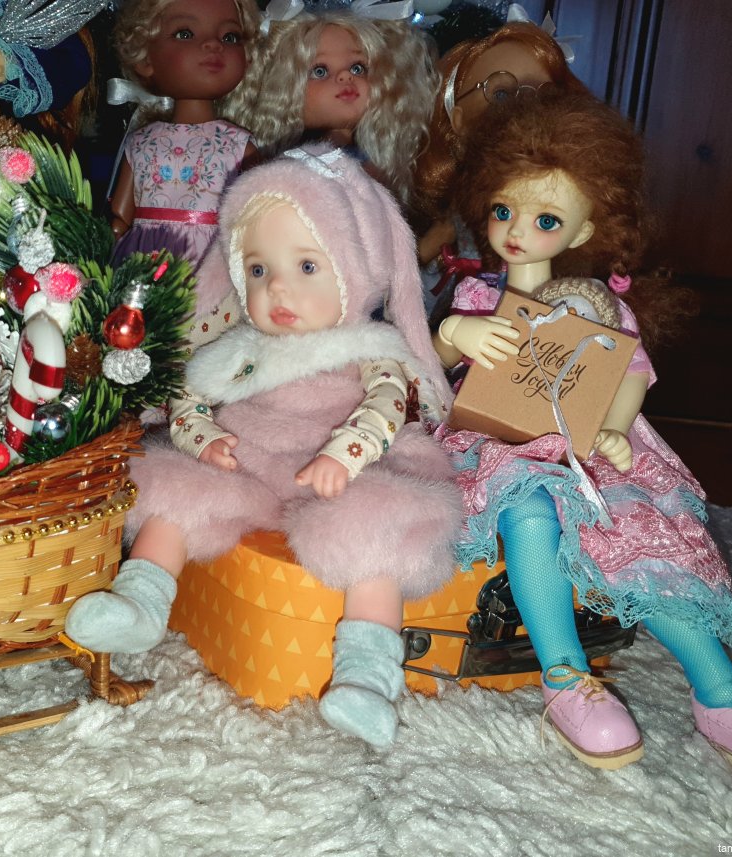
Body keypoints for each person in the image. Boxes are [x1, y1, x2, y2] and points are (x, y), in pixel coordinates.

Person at [433, 91, 732, 788]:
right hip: (499, 437)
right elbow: (438, 350)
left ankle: (721, 696)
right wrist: (458, 330)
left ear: (584, 228)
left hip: (589, 442)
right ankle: (565, 677)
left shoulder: (599, 307)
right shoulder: (481, 297)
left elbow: (631, 370)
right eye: (504, 210)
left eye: (546, 219)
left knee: (640, 537)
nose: (516, 230)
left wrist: (613, 425)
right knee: (528, 510)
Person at [66, 145, 462, 751]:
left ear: (356, 272)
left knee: (372, 531)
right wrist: (204, 440)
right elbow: (188, 401)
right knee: (173, 490)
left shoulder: (367, 346)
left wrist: (345, 453)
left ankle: (367, 676)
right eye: (257, 270)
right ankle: (142, 602)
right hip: (250, 465)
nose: (277, 287)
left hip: (345, 474)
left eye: (306, 266)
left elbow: (387, 404)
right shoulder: (241, 347)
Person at [412, 20, 588, 314]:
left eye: (542, 96)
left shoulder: (563, 191)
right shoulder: (463, 202)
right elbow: (433, 243)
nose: (523, 107)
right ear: (458, 120)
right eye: (502, 94)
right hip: (472, 300)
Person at [107, 0, 262, 271]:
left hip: (212, 260)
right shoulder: (141, 142)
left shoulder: (238, 145)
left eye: (230, 37)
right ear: (145, 58)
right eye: (185, 34)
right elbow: (120, 215)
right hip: (145, 260)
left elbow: (260, 212)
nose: (213, 45)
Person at [229, 7, 438, 205]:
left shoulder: (377, 164)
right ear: (285, 89)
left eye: (357, 68)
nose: (345, 76)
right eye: (320, 71)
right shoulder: (289, 166)